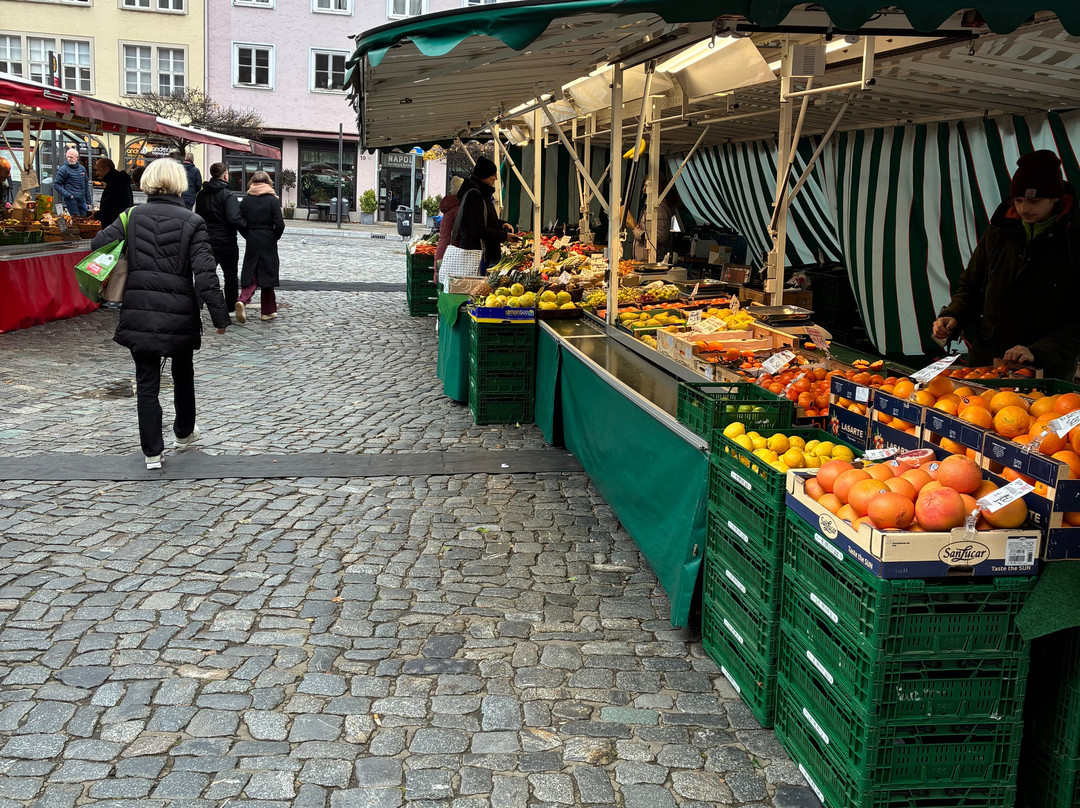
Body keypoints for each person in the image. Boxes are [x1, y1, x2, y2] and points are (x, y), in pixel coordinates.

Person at [89, 158, 230, 470]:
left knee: (147, 381)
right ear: (180, 183)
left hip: (140, 311)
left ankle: (152, 452)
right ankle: (183, 433)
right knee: (183, 373)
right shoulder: (193, 222)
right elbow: (206, 275)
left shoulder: (131, 216)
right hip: (179, 311)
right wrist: (220, 318)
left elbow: (97, 244)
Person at [933, 149, 1080, 380]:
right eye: (1018, 200)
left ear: (1055, 198)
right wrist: (954, 314)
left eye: (1034, 201)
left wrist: (1038, 351)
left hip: (1047, 367)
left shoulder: (1074, 238)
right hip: (987, 357)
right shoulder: (1000, 230)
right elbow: (971, 285)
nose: (1024, 209)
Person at [195, 163, 245, 313]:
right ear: (224, 176)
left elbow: (198, 217)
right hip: (226, 241)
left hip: (207, 239)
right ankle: (230, 305)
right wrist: (246, 228)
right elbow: (234, 218)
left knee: (205, 273)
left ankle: (196, 302)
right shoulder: (228, 195)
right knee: (230, 275)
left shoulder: (202, 195)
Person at [453, 157, 518, 271]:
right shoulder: (474, 195)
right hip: (477, 255)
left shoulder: (481, 193)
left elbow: (484, 217)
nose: (496, 178)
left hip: (482, 254)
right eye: (493, 174)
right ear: (484, 175)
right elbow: (478, 228)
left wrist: (501, 224)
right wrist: (504, 236)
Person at [236, 171, 284, 322]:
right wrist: (273, 236)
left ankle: (242, 299)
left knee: (252, 270)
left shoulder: (246, 200)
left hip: (252, 238)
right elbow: (280, 224)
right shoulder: (273, 200)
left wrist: (247, 233)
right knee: (268, 273)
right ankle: (267, 311)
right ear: (268, 182)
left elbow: (239, 221)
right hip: (268, 238)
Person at [630, 176, 679, 261]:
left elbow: (660, 237)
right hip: (644, 259)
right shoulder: (651, 206)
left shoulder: (659, 208)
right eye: (644, 186)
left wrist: (637, 232)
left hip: (651, 259)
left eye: (647, 186)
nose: (644, 190)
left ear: (658, 187)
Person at [435, 176, 465, 283]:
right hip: (451, 252)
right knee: (448, 285)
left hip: (444, 249)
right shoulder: (458, 209)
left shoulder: (450, 207)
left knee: (442, 287)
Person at [93, 158, 134, 229]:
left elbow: (110, 209)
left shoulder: (114, 184)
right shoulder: (120, 181)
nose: (96, 173)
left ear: (106, 169)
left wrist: (96, 215)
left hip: (114, 226)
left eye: (98, 170)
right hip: (121, 223)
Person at [54, 148, 92, 218]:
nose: (69, 159)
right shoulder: (64, 169)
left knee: (85, 219)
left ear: (77, 157)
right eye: (67, 157)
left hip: (82, 200)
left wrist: (88, 201)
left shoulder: (82, 169)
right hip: (71, 200)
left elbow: (86, 185)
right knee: (76, 220)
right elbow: (56, 184)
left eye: (71, 157)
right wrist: (68, 195)